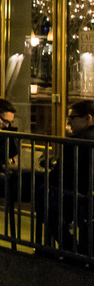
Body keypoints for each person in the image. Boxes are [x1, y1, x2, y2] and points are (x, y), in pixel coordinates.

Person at [35, 99, 94, 249]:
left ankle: (70, 247)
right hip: (86, 196)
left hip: (77, 196)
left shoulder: (76, 142)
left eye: (72, 118)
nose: (69, 123)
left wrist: (49, 171)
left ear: (88, 118)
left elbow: (62, 175)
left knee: (43, 198)